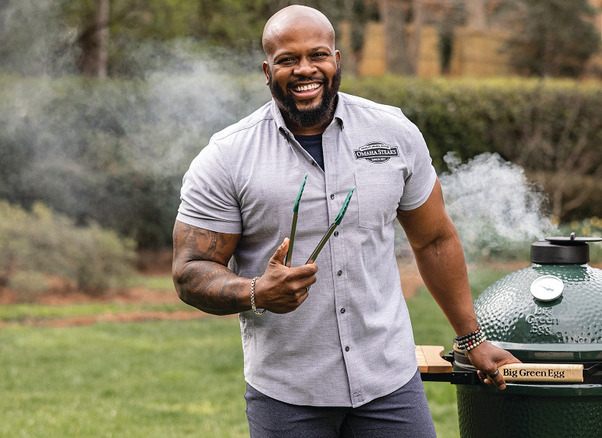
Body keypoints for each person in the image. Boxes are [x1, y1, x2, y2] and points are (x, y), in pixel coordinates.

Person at [172, 4, 519, 437]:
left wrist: (470, 338)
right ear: (267, 70)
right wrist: (255, 291)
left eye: (317, 55)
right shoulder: (227, 156)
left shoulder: (392, 132)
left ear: (336, 61)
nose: (304, 69)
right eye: (287, 59)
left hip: (389, 383)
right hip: (288, 394)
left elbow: (434, 240)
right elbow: (189, 272)